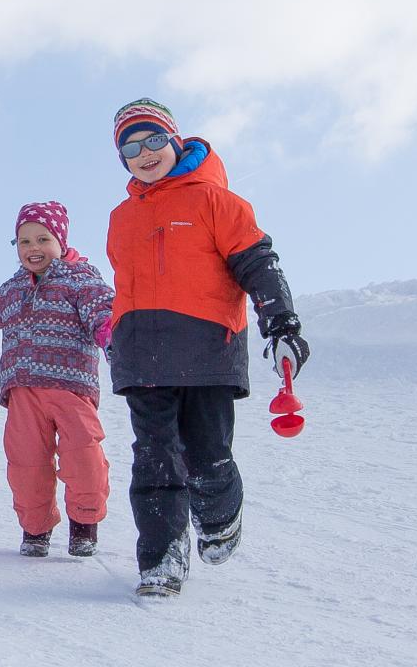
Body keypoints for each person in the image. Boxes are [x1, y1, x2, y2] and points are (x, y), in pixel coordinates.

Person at [103, 98, 310, 598]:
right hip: (143, 355)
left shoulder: (219, 202)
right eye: (131, 146)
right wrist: (116, 340)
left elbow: (258, 263)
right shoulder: (121, 217)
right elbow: (126, 286)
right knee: (153, 459)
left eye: (154, 139)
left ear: (174, 141)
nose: (145, 152)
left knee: (207, 457)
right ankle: (162, 557)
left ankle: (219, 516)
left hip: (207, 351)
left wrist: (280, 324)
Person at [0, 201, 115, 558]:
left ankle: (84, 525)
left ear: (60, 241)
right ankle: (36, 529)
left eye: (42, 239)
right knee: (26, 462)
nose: (33, 248)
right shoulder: (13, 288)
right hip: (22, 390)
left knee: (83, 455)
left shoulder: (80, 279)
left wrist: (110, 335)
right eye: (23, 242)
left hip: (71, 387)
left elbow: (101, 309)